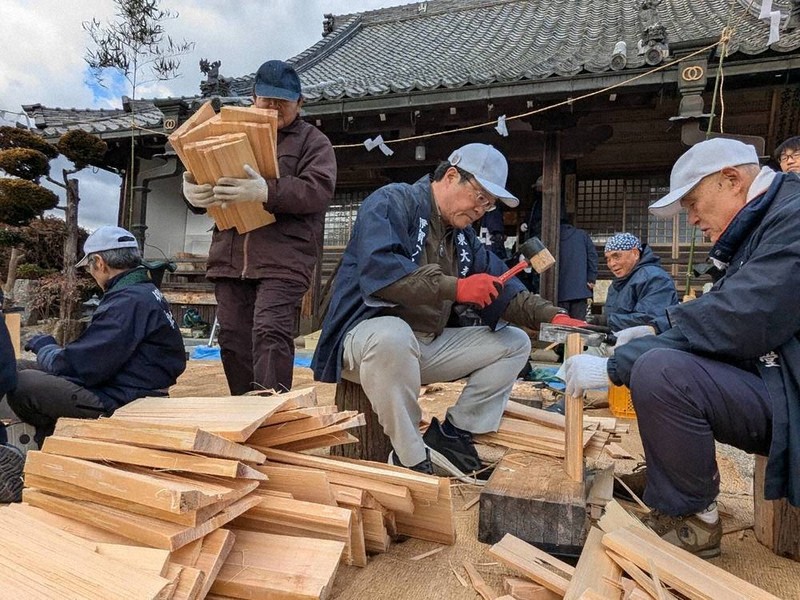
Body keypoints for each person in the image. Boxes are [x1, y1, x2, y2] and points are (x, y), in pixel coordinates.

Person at [563, 137, 800, 558]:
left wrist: (617, 365)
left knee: (661, 371)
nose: (690, 219)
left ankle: (693, 520)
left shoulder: (793, 216)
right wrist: (655, 331)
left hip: (790, 388)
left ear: (731, 180)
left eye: (692, 203)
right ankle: (668, 482)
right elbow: (723, 311)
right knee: (660, 358)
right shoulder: (763, 223)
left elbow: (742, 318)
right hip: (776, 374)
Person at [311, 143, 585, 480]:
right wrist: (456, 287)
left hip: (423, 346)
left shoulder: (463, 238)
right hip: (364, 341)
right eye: (480, 197)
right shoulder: (392, 202)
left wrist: (553, 316)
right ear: (452, 176)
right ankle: (410, 457)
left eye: (490, 204)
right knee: (391, 335)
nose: (482, 210)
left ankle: (453, 434)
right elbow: (381, 273)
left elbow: (504, 289)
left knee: (514, 343)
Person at [182, 59, 337, 395]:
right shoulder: (229, 130)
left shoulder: (314, 142)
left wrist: (267, 189)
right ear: (253, 97)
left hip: (284, 259)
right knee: (233, 337)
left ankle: (271, 414)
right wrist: (192, 191)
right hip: (230, 256)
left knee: (270, 331)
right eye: (268, 100)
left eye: (283, 101)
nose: (275, 107)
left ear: (300, 102)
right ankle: (244, 409)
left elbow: (318, 190)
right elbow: (203, 175)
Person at [4, 226, 186, 472]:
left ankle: (50, 445)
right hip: (127, 383)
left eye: (89, 267)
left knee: (25, 384)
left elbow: (81, 368)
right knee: (19, 368)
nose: (91, 274)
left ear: (99, 263)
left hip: (129, 398)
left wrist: (46, 347)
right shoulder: (143, 291)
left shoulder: (127, 301)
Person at [590, 232, 678, 336]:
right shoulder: (617, 283)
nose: (611, 264)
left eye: (616, 256)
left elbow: (649, 319)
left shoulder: (655, 277)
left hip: (648, 345)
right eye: (608, 259)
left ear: (635, 254)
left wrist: (605, 321)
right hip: (618, 339)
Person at [557, 218, 598, 320]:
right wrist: (591, 278)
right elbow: (592, 257)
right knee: (578, 326)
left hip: (558, 290)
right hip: (580, 289)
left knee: (560, 326)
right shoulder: (582, 235)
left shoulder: (552, 236)